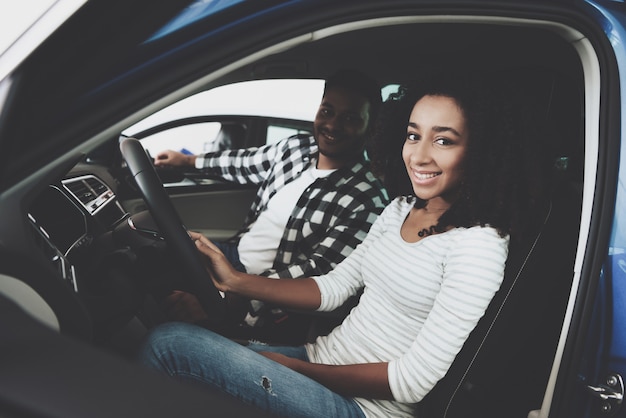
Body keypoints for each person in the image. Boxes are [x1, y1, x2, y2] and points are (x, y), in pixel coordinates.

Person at [138, 72, 548, 417]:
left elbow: (411, 383)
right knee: (171, 330)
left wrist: (294, 368)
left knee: (168, 345)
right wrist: (234, 281)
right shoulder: (402, 207)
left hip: (363, 408)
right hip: (318, 358)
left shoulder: (480, 246)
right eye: (412, 135)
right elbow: (334, 288)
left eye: (443, 141)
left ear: (479, 152)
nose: (418, 156)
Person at [151, 69, 389, 341]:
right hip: (231, 256)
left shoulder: (367, 200)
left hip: (263, 300)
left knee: (169, 322)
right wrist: (187, 161)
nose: (332, 125)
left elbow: (317, 276)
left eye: (350, 119)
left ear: (370, 127)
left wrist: (230, 295)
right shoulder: (295, 148)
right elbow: (243, 162)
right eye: (327, 111)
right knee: (149, 263)